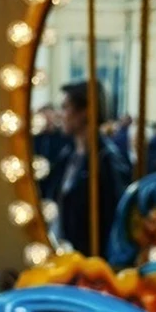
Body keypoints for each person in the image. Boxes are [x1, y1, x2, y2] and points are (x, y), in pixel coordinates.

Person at [48, 80, 131, 259]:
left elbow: (116, 221)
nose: (60, 115)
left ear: (85, 112)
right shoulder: (67, 155)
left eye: (65, 108)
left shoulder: (107, 161)